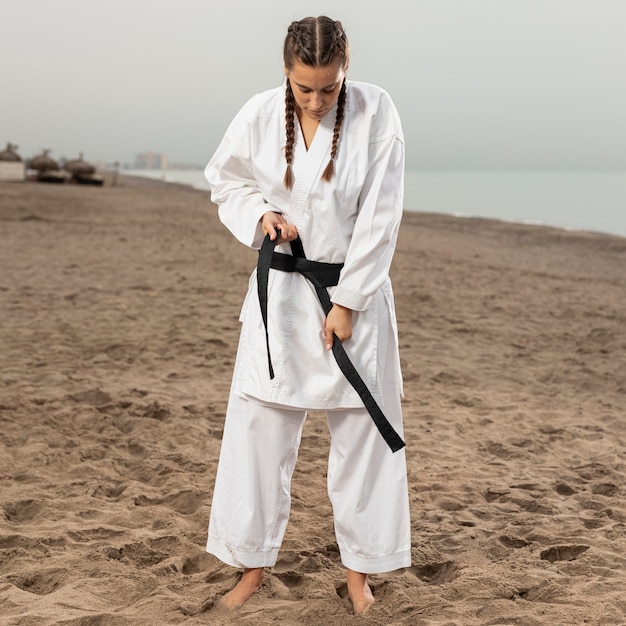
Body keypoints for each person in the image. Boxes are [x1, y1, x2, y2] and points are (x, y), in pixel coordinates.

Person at [204, 15, 411, 614]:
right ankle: (252, 566)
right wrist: (260, 217)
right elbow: (226, 180)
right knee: (258, 432)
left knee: (364, 438)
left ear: (347, 71)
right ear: (285, 75)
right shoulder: (259, 114)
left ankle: (359, 577)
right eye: (304, 89)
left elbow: (381, 216)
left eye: (330, 87)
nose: (318, 101)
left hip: (354, 295)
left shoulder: (378, 114)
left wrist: (347, 303)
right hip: (282, 298)